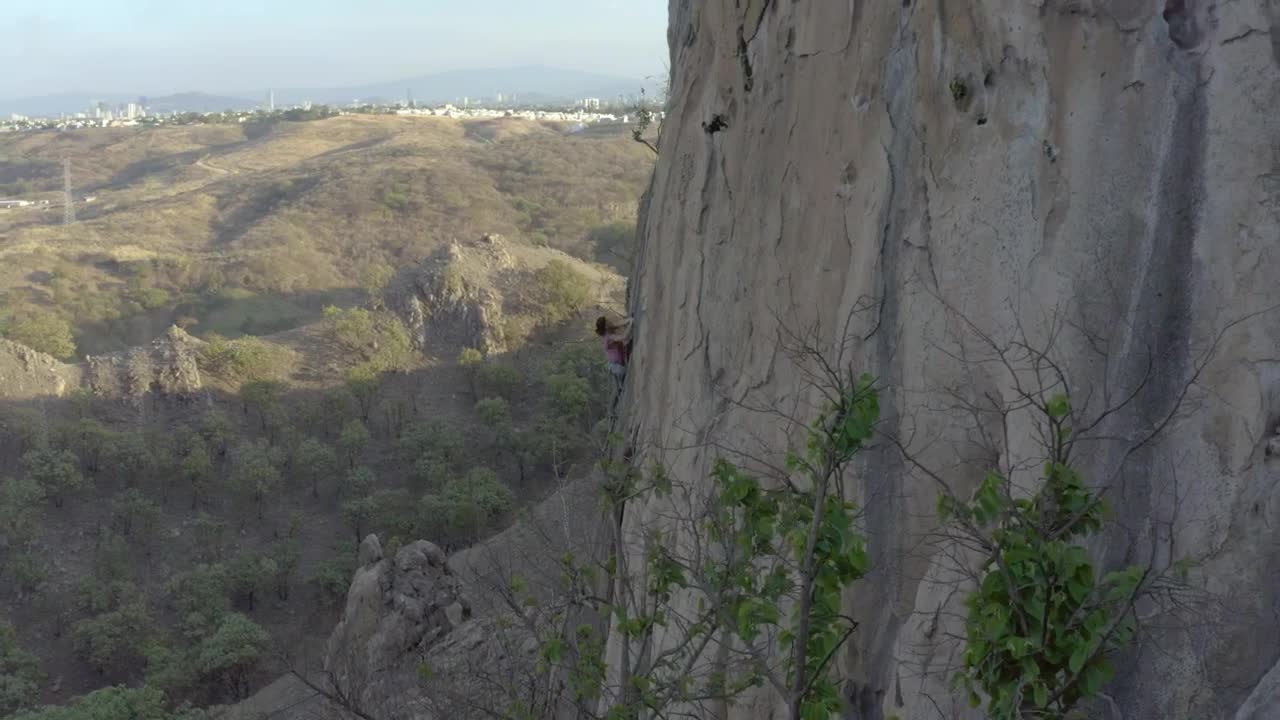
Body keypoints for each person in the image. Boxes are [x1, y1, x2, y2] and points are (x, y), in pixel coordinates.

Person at [596, 315, 632, 406]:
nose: (609, 320)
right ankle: (612, 410)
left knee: (618, 389)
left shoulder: (610, 328)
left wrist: (629, 320)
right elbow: (624, 337)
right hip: (615, 367)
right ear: (605, 326)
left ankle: (613, 409)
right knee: (620, 383)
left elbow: (620, 323)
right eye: (607, 321)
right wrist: (631, 323)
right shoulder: (608, 337)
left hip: (615, 365)